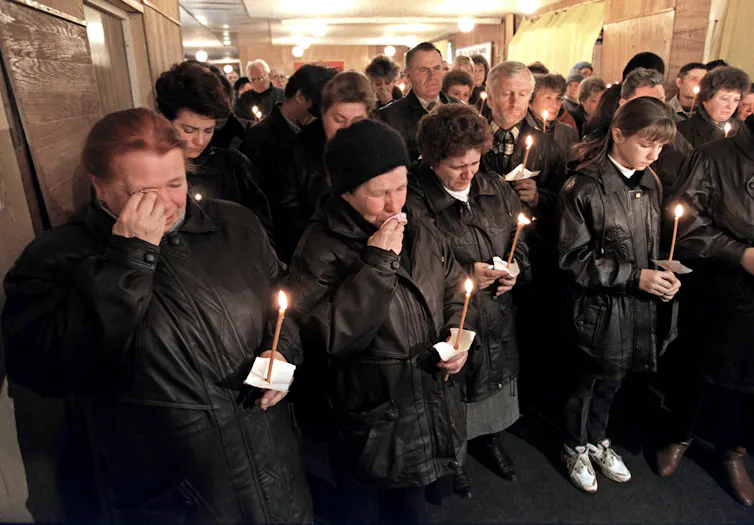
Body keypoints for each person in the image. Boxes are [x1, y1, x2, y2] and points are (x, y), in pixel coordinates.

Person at [1, 107, 313, 523]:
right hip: (175, 494)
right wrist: (130, 261)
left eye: (175, 182)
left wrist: (283, 353)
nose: (166, 203)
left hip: (273, 467)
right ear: (101, 187)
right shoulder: (57, 259)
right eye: (143, 192)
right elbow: (46, 370)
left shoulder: (234, 224)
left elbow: (282, 305)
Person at [289, 119, 469, 524]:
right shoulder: (320, 247)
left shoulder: (419, 224)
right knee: (368, 507)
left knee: (414, 505)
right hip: (373, 416)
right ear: (347, 192)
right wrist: (377, 265)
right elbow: (328, 339)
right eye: (379, 193)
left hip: (426, 397)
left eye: (401, 187)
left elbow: (456, 284)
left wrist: (459, 333)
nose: (394, 204)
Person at [407, 104, 530, 499]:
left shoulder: (494, 186)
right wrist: (465, 276)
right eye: (456, 166)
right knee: (452, 393)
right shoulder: (413, 199)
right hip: (448, 317)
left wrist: (515, 269)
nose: (467, 174)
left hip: (495, 310)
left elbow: (520, 242)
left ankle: (488, 440)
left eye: (474, 162)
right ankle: (451, 458)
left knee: (490, 387)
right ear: (430, 160)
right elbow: (414, 270)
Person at [559, 97, 681, 493]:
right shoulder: (583, 186)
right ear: (617, 133)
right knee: (586, 383)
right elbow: (571, 259)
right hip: (595, 309)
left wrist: (664, 275)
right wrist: (635, 278)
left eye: (661, 147)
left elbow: (649, 245)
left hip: (634, 306)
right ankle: (574, 445)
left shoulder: (651, 181)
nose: (654, 154)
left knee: (613, 381)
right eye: (647, 144)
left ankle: (597, 439)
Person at [656, 113, 754, 506]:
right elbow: (684, 224)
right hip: (721, 287)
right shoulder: (715, 156)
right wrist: (740, 253)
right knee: (699, 366)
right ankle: (679, 434)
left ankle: (731, 449)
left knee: (749, 378)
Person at [155, 62, 271, 234]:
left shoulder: (233, 165)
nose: (200, 140)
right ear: (164, 121)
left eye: (208, 130)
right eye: (189, 130)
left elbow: (262, 229)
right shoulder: (151, 172)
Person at [240, 64, 337, 263]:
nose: (321, 115)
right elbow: (257, 200)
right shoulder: (261, 137)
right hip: (281, 246)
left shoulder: (321, 131)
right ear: (300, 96)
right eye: (318, 106)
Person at [379, 42, 456, 161]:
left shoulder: (459, 110)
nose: (432, 75)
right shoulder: (388, 117)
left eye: (437, 68)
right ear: (408, 75)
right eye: (424, 69)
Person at [677, 66, 751, 148]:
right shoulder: (681, 131)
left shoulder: (744, 132)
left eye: (736, 100)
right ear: (705, 99)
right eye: (725, 99)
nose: (730, 106)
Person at [527, 73, 579, 159]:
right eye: (548, 98)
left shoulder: (567, 132)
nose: (555, 105)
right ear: (530, 102)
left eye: (558, 98)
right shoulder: (520, 129)